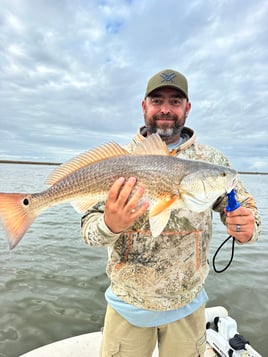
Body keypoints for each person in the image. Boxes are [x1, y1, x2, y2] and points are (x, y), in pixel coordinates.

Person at [81, 69, 261, 357]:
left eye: (175, 101)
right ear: (144, 106)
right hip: (128, 305)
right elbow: (88, 230)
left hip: (188, 305)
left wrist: (247, 227)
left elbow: (243, 211)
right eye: (157, 100)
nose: (165, 109)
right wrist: (108, 226)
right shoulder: (119, 159)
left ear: (187, 108)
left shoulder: (212, 162)